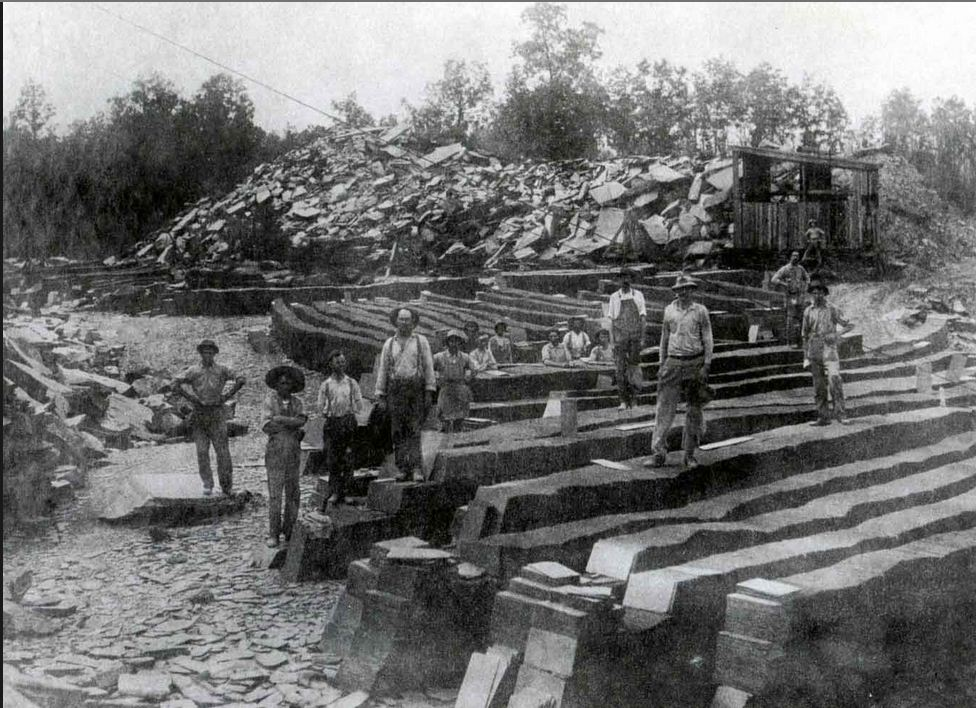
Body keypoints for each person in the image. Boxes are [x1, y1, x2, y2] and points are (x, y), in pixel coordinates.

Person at [649, 275, 714, 470]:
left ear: (692, 290)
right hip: (673, 362)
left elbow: (708, 337)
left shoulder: (700, 311)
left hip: (694, 362)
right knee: (663, 410)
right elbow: (664, 338)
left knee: (694, 410)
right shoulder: (669, 310)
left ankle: (689, 455)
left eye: (687, 289)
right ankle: (658, 453)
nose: (683, 292)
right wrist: (662, 363)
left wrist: (707, 364)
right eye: (680, 289)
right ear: (676, 291)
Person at [174, 339, 246, 496]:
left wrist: (227, 396)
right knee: (201, 451)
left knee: (223, 453)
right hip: (199, 415)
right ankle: (207, 483)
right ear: (200, 353)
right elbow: (175, 383)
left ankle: (227, 486)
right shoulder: (193, 371)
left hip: (217, 414)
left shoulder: (221, 370)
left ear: (214, 354)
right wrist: (191, 398)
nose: (207, 355)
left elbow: (241, 378)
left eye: (210, 352)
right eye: (204, 352)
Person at [375, 307, 437, 481]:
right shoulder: (389, 343)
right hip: (395, 391)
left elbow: (428, 366)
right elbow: (383, 370)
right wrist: (380, 394)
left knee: (414, 429)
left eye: (407, 319)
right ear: (396, 321)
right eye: (401, 319)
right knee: (397, 430)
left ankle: (417, 468)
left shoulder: (420, 341)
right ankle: (403, 468)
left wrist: (429, 391)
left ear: (413, 322)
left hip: (415, 389)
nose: (404, 323)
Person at [261, 365, 307, 548]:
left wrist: (280, 419)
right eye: (281, 383)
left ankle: (289, 531)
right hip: (275, 452)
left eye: (288, 383)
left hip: (294, 452)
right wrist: (292, 424)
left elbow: (303, 421)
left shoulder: (298, 403)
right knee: (275, 494)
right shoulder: (269, 402)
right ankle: (273, 533)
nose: (284, 386)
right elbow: (266, 425)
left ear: (293, 385)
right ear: (276, 385)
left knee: (293, 492)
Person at [802, 281, 854, 426]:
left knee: (835, 380)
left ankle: (841, 414)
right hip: (814, 348)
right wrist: (805, 356)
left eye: (820, 292)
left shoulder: (832, 309)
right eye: (814, 292)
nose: (817, 295)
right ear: (811, 294)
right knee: (818, 386)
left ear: (824, 294)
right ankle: (823, 417)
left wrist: (837, 334)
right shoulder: (808, 311)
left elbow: (850, 324)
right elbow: (804, 335)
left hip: (829, 348)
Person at [317, 350, 363, 506]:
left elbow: (359, 403)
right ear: (331, 364)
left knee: (349, 458)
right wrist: (328, 412)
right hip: (332, 424)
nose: (341, 365)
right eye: (338, 362)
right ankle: (335, 492)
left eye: (343, 362)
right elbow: (320, 406)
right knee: (333, 459)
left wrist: (350, 412)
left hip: (348, 423)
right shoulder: (326, 385)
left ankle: (348, 492)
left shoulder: (351, 383)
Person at [608, 269, 647, 410]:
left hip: (635, 338)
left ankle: (635, 400)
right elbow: (611, 321)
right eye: (622, 277)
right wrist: (612, 341)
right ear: (619, 280)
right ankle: (623, 401)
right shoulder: (614, 297)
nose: (625, 280)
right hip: (619, 338)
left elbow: (643, 318)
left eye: (628, 277)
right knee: (619, 370)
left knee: (634, 369)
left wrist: (642, 338)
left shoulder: (638, 295)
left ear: (631, 279)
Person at [434, 330, 475, 433]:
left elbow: (473, 369)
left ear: (460, 343)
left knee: (459, 419)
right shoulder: (439, 357)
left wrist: (468, 375)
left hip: (460, 389)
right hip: (446, 389)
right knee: (445, 419)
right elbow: (430, 369)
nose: (454, 344)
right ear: (447, 343)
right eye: (451, 341)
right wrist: (437, 378)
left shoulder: (465, 357)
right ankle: (445, 444)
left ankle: (458, 441)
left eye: (457, 341)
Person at [770, 250, 811, 348]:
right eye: (794, 256)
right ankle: (790, 342)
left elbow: (808, 278)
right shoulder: (785, 269)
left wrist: (805, 285)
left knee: (802, 319)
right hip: (790, 297)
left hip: (800, 296)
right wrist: (784, 284)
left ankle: (801, 341)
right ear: (790, 257)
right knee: (791, 320)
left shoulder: (801, 269)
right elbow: (774, 279)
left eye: (797, 256)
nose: (795, 258)